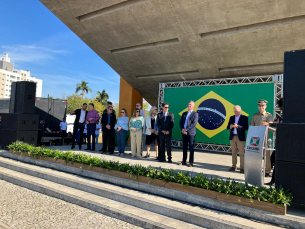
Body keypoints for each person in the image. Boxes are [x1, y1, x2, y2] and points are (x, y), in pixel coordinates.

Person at [250, 99, 273, 177]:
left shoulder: (268, 115)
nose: (261, 107)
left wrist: (267, 124)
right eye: (260, 105)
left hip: (265, 136)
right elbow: (252, 125)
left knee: (266, 154)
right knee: (255, 154)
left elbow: (271, 125)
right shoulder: (255, 115)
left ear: (265, 106)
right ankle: (256, 169)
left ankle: (267, 171)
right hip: (256, 138)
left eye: (262, 106)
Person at [265, 98, 283, 186]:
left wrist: (269, 124)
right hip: (280, 142)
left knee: (276, 160)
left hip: (285, 143)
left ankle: (274, 180)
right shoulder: (282, 114)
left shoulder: (289, 115)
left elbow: (282, 125)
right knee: (275, 160)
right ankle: (273, 180)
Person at [226, 105, 249, 173]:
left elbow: (246, 127)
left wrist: (237, 126)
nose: (236, 112)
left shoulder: (244, 117)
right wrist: (231, 126)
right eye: (235, 111)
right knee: (234, 152)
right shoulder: (232, 117)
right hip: (233, 136)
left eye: (237, 111)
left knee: (241, 153)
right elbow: (227, 127)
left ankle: (242, 167)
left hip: (240, 137)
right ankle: (234, 166)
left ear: (240, 111)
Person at [179, 101, 198, 167]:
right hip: (184, 133)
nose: (189, 105)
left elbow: (194, 124)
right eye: (188, 104)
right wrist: (182, 129)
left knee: (191, 148)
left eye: (190, 104)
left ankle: (191, 162)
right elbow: (180, 122)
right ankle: (184, 161)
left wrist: (186, 129)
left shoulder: (195, 114)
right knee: (184, 147)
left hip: (191, 134)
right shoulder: (184, 113)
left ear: (193, 106)